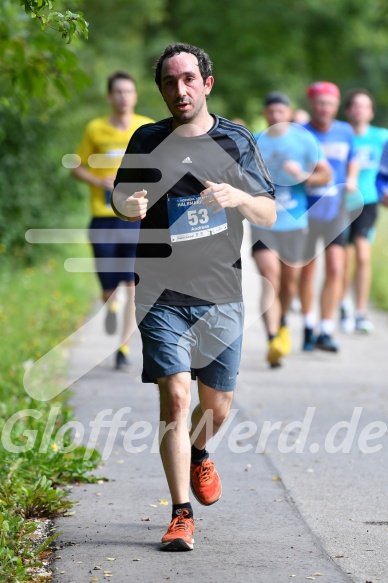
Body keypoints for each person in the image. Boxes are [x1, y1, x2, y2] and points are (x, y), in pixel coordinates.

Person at [111, 43, 276, 551]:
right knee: (176, 397)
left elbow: (268, 214)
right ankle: (181, 513)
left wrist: (239, 197)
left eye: (188, 79)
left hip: (220, 294)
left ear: (207, 83)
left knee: (217, 406)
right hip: (160, 290)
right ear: (161, 89)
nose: (178, 90)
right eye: (168, 82)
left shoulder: (236, 139)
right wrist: (128, 204)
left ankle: (201, 451)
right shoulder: (146, 138)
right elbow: (120, 195)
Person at [72, 72, 154, 369]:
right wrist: (98, 180)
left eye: (129, 91)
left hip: (134, 219)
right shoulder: (95, 129)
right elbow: (76, 167)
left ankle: (123, 347)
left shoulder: (146, 127)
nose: (123, 97)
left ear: (135, 96)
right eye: (118, 92)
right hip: (103, 218)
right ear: (110, 97)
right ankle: (111, 303)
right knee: (110, 289)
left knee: (132, 283)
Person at [251, 92, 331, 367]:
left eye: (280, 112)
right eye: (270, 112)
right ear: (265, 114)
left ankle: (282, 321)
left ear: (289, 113)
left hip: (296, 222)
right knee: (270, 276)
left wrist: (303, 175)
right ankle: (273, 338)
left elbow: (326, 174)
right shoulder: (255, 140)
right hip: (263, 221)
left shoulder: (303, 140)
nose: (275, 116)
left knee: (289, 283)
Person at [300, 81, 358, 352]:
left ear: (336, 107)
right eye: (320, 103)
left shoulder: (345, 131)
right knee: (308, 269)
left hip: (336, 209)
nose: (325, 108)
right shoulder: (301, 133)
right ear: (312, 104)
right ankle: (308, 326)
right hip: (308, 210)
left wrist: (353, 180)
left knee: (336, 267)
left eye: (330, 104)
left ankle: (326, 328)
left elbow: (352, 159)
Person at [340, 89, 388, 333]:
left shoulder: (382, 137)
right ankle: (343, 305)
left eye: (364, 106)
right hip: (341, 203)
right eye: (355, 106)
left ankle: (360, 313)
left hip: (368, 201)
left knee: (362, 255)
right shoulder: (341, 135)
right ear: (348, 110)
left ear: (371, 112)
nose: (359, 109)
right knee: (342, 260)